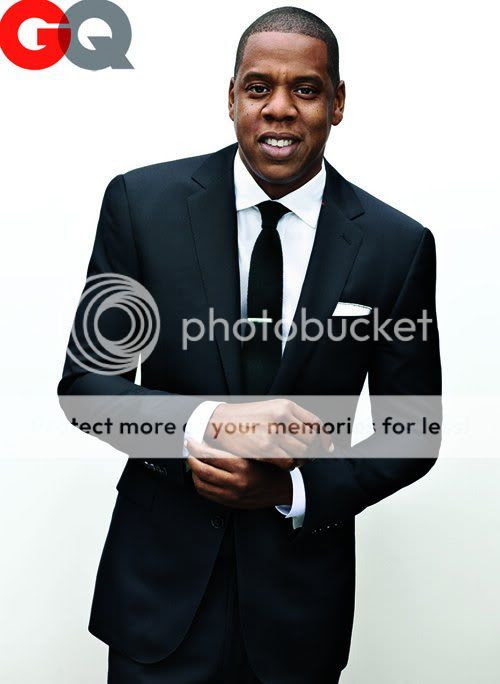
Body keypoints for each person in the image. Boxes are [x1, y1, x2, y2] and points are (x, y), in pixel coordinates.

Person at [58, 6, 442, 683]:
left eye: (306, 89)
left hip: (300, 608)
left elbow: (412, 431)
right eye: (259, 87)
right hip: (157, 598)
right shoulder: (140, 205)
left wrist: (293, 487)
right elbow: (88, 388)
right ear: (231, 96)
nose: (280, 108)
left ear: (338, 103)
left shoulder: (396, 245)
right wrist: (210, 423)